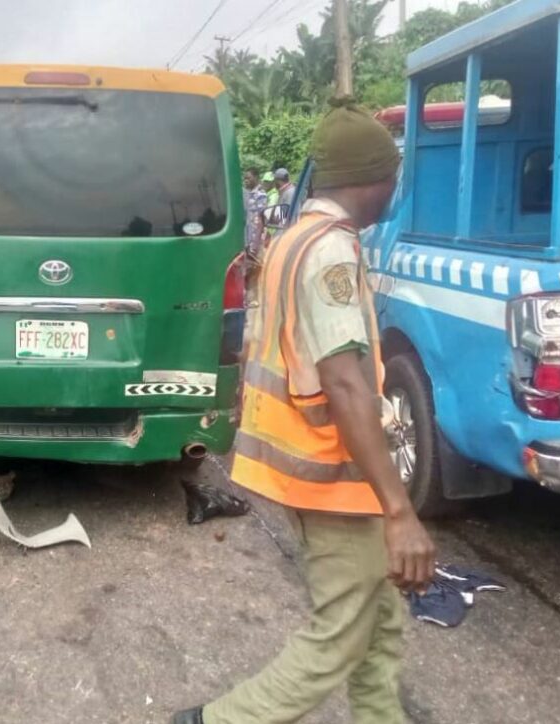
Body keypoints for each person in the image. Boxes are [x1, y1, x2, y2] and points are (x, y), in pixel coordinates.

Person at [174, 99, 436, 724]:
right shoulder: (330, 253)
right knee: (341, 632)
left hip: (320, 466)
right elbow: (345, 384)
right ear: (372, 180)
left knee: (378, 620)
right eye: (393, 177)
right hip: (330, 472)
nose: (394, 190)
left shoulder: (295, 239)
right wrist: (399, 509)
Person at [242, 167, 269, 256]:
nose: (246, 181)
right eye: (245, 178)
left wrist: (254, 244)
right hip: (246, 239)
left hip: (255, 240)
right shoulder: (247, 193)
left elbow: (260, 220)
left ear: (256, 178)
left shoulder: (260, 195)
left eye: (248, 178)